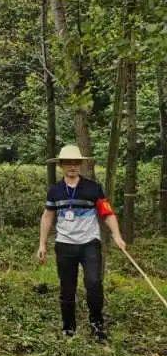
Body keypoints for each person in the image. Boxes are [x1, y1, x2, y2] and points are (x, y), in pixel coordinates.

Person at [38, 144, 125, 341]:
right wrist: (42, 244)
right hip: (65, 245)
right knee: (67, 286)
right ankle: (69, 327)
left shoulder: (93, 188)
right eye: (68, 162)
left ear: (80, 165)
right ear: (61, 165)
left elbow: (107, 213)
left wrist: (117, 236)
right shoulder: (55, 191)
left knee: (94, 283)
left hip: (89, 244)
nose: (72, 166)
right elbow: (47, 217)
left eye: (76, 162)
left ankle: (97, 325)